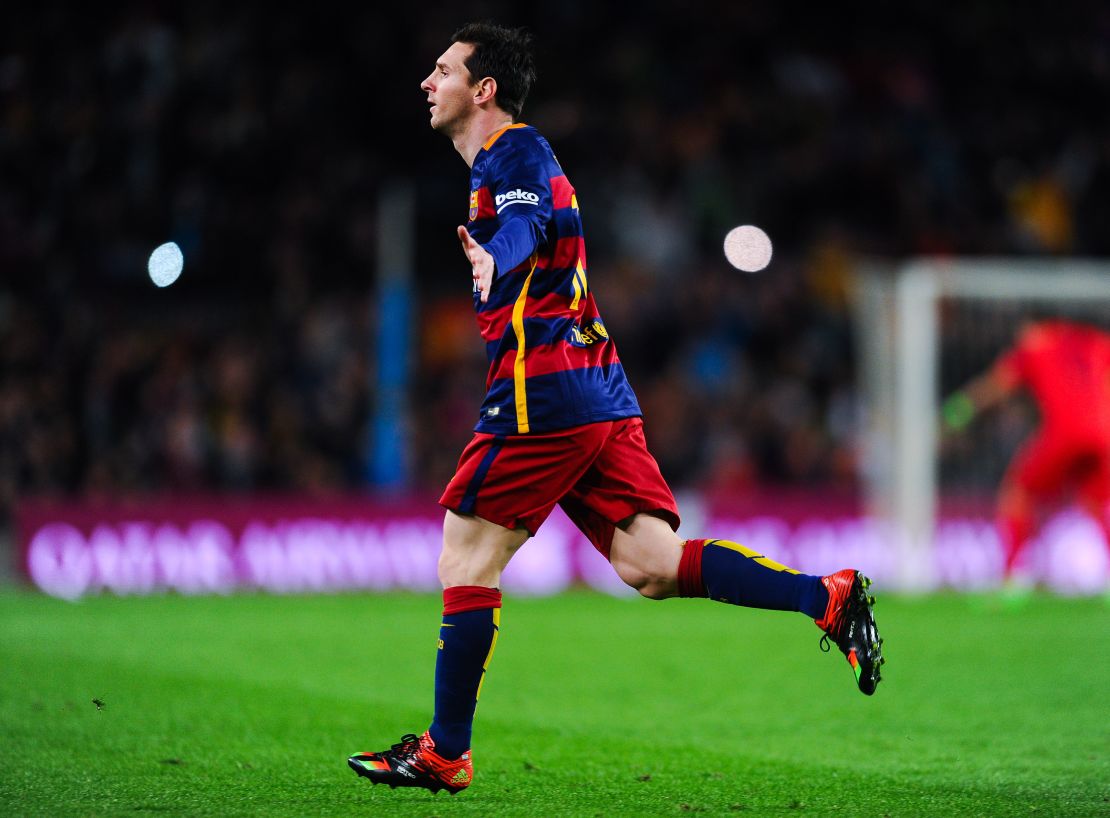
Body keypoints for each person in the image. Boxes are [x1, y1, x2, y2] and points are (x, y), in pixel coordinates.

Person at [347, 22, 883, 796]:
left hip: (546, 391)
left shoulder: (516, 155)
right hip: (597, 388)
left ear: (483, 89)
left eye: (443, 70)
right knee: (652, 565)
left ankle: (444, 751)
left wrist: (501, 253)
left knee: (466, 558)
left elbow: (527, 223)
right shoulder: (501, 164)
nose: (428, 83)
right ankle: (823, 596)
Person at [943, 317, 1110, 584]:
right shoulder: (1095, 342)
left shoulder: (1037, 346)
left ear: (1035, 328)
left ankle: (1011, 578)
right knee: (1095, 503)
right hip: (1102, 435)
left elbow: (997, 385)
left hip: (1065, 432)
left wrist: (961, 408)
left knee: (1017, 494)